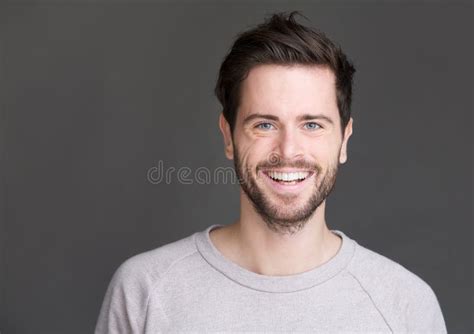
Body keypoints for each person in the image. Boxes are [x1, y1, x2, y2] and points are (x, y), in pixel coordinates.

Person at [95, 11, 447, 333]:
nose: (288, 150)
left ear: (344, 140)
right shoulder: (145, 291)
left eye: (312, 124)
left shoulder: (406, 306)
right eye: (264, 125)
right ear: (228, 136)